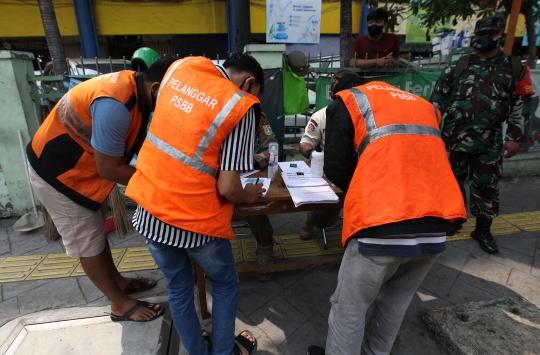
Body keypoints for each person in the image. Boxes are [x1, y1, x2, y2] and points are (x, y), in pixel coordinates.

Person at [307, 78, 467, 355]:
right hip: (436, 222)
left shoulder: (347, 102)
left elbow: (336, 169)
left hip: (380, 221)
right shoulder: (422, 104)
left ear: (339, 92)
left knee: (349, 308)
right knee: (396, 302)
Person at [126, 53, 265, 355]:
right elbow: (229, 187)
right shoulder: (240, 104)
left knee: (178, 288)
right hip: (197, 221)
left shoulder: (180, 69)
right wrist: (250, 194)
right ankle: (225, 352)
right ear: (249, 83)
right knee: (225, 284)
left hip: (150, 211)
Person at [27, 57, 175, 323]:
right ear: (156, 88)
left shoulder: (136, 89)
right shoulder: (115, 105)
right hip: (60, 176)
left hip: (83, 172)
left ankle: (117, 281)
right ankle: (119, 305)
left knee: (95, 234)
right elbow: (109, 169)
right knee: (88, 244)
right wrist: (159, 184)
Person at [430, 15, 535, 254]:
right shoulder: (459, 64)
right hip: (454, 138)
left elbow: (521, 104)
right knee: (450, 183)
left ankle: (483, 230)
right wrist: (431, 128)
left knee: (486, 186)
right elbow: (437, 99)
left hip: (490, 140)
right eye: (479, 35)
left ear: (499, 37)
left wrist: (514, 137)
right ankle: (453, 222)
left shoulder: (515, 67)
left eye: (490, 34)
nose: (482, 39)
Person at [298, 70, 359, 240]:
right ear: (331, 94)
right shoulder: (322, 115)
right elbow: (304, 143)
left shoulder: (363, 114)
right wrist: (313, 155)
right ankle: (311, 219)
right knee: (329, 210)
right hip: (332, 169)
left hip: (360, 169)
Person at [247, 113, 277, 281]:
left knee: (254, 203)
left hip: (249, 170)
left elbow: (270, 146)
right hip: (219, 172)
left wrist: (250, 161)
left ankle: (265, 246)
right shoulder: (216, 112)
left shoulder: (259, 117)